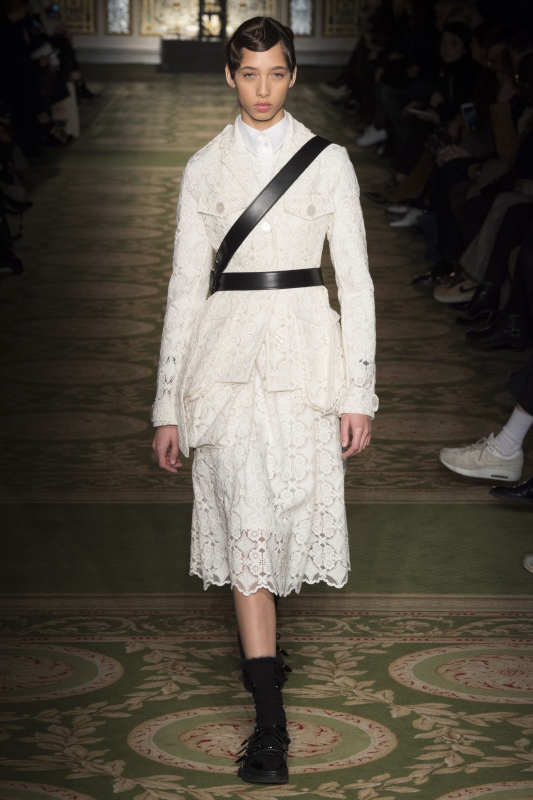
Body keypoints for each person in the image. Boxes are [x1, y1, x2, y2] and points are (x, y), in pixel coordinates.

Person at [151, 16, 378, 786]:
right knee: (248, 526)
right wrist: (166, 405)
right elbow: (185, 288)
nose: (262, 89)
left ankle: (263, 651)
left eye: (276, 73)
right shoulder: (203, 167)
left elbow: (356, 282)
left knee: (281, 523)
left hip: (306, 360)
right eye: (249, 73)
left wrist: (358, 391)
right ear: (229, 75)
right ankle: (270, 726)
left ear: (292, 75)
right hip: (223, 364)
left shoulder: (328, 161)